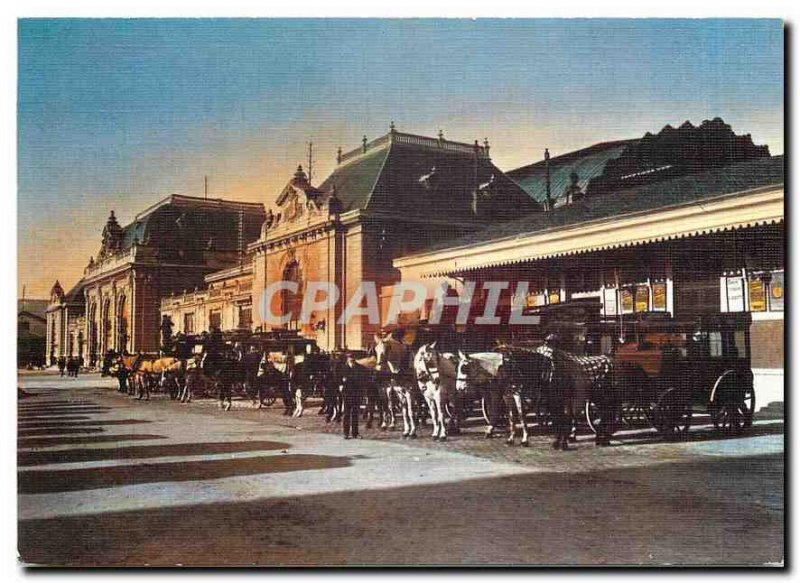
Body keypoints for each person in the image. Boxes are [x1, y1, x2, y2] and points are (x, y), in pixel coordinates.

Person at [340, 353, 365, 439]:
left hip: (356, 393)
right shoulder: (343, 368)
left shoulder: (359, 368)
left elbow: (361, 380)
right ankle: (346, 433)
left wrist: (347, 379)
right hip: (347, 393)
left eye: (352, 357)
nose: (351, 359)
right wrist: (342, 383)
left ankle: (355, 433)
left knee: (355, 414)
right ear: (347, 359)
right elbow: (339, 379)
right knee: (346, 414)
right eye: (349, 357)